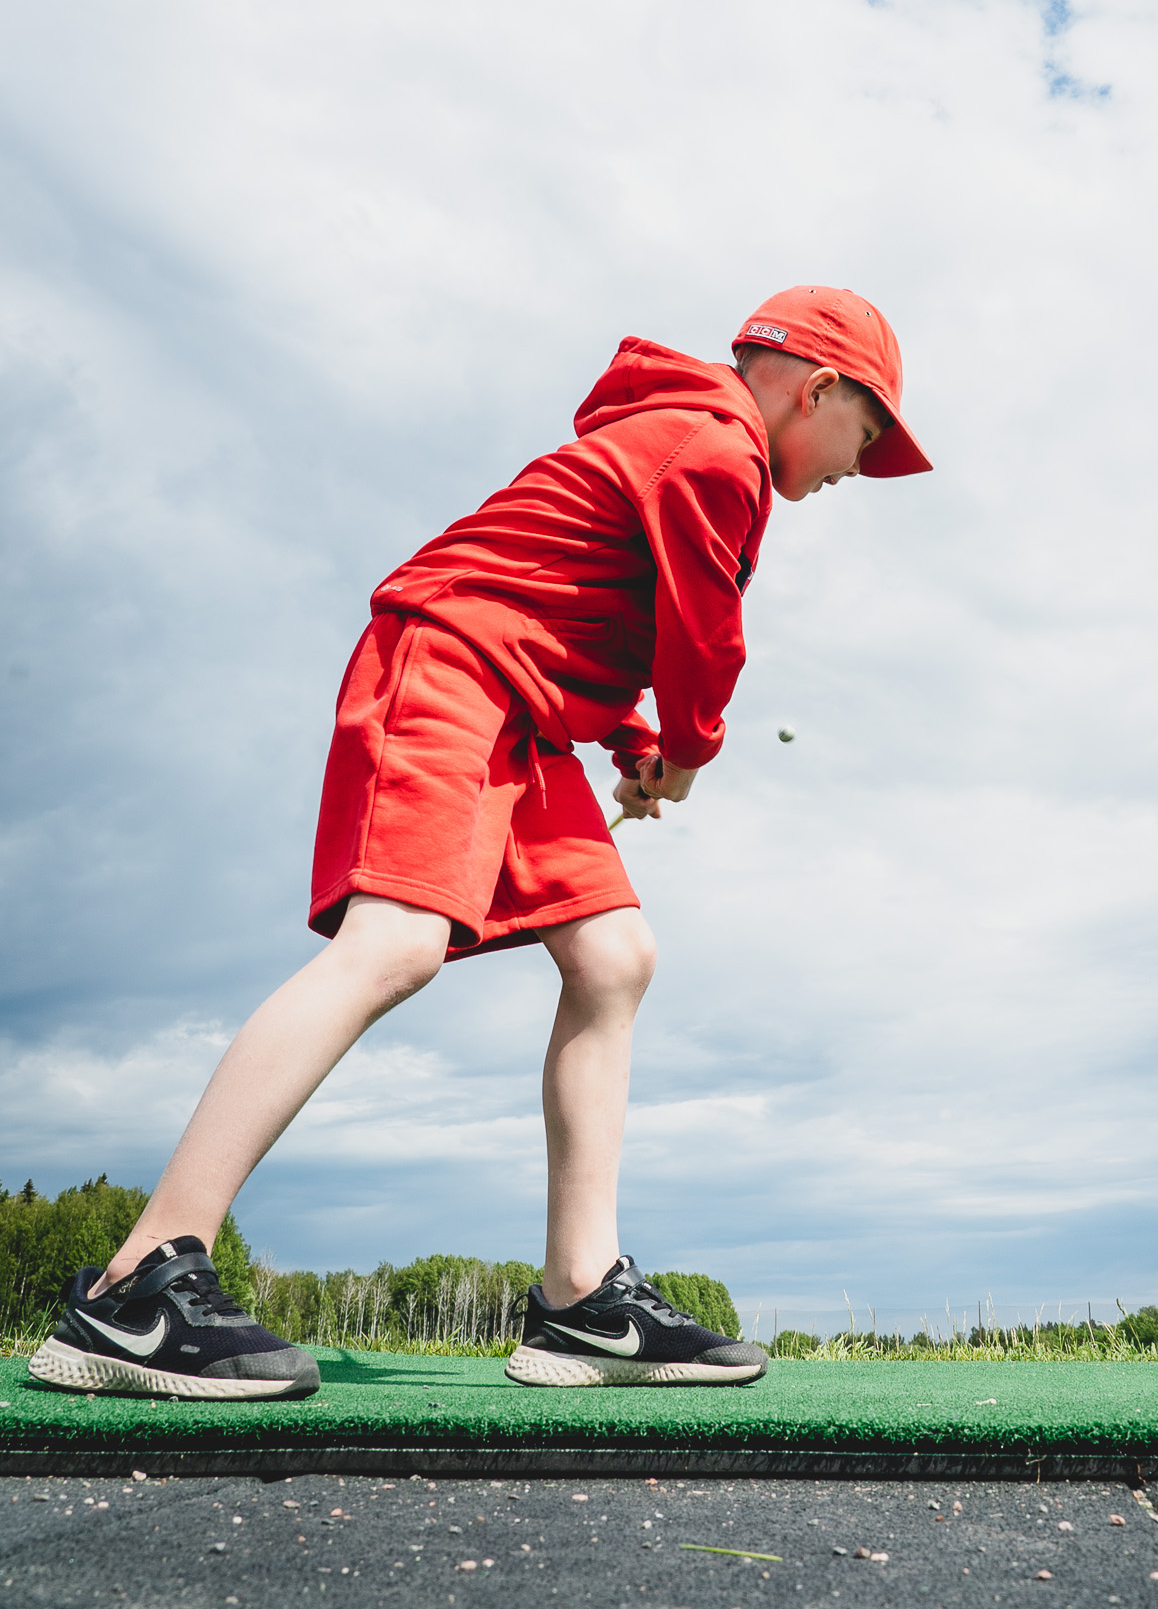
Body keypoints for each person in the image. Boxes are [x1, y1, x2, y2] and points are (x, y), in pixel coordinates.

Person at [30, 286, 931, 1399]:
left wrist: (637, 737)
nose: (859, 466)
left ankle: (581, 1298)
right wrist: (691, 747)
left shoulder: (693, 443)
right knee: (395, 945)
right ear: (819, 388)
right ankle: (136, 1287)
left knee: (614, 958)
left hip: (521, 707)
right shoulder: (717, 449)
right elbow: (704, 637)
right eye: (868, 434)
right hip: (452, 667)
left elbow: (590, 610)